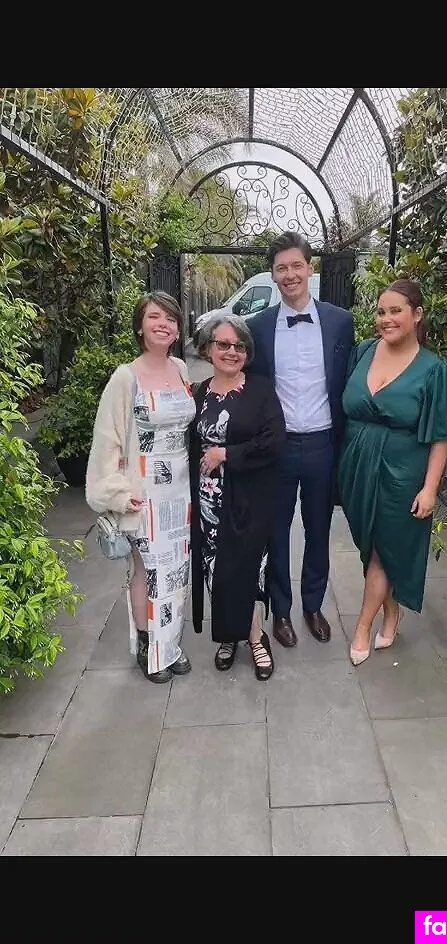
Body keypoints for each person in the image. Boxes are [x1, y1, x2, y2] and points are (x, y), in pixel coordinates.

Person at [338, 279, 447, 666]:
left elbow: (441, 436)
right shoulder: (363, 352)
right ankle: (392, 611)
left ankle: (363, 626)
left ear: (417, 315)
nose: (387, 318)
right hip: (358, 467)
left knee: (384, 549)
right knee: (372, 545)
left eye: (396, 311)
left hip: (403, 472)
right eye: (381, 311)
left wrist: (430, 489)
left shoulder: (433, 370)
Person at [248, 231, 354, 648]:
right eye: (281, 268)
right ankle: (281, 611)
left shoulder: (340, 321)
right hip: (277, 446)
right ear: (273, 275)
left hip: (323, 444)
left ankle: (313, 605)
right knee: (275, 531)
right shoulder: (257, 327)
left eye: (296, 265)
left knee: (318, 529)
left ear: (310, 268)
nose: (290, 274)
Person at [86, 291, 196, 683]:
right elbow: (107, 441)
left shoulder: (181, 369)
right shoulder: (125, 377)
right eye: (154, 317)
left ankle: (171, 644)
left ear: (178, 330)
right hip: (143, 492)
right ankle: (149, 645)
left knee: (176, 569)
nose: (163, 324)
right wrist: (117, 493)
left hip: (180, 491)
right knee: (147, 569)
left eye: (170, 319)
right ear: (140, 326)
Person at [189, 314, 286, 680]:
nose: (232, 352)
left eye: (239, 346)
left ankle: (256, 637)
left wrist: (226, 454)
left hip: (250, 494)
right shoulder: (198, 393)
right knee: (216, 567)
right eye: (223, 344)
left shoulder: (260, 389)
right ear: (208, 349)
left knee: (251, 566)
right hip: (209, 499)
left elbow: (274, 441)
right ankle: (229, 634)